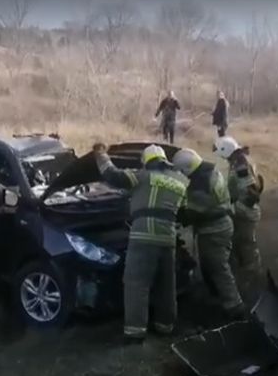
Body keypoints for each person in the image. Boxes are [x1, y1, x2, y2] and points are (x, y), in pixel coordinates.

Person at [93, 143, 186, 343]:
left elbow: (113, 175)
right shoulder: (179, 181)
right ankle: (165, 326)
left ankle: (135, 332)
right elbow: (184, 211)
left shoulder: (142, 176)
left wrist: (101, 154)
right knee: (166, 284)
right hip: (168, 238)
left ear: (146, 162)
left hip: (144, 237)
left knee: (136, 283)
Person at [171, 148, 246, 318]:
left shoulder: (200, 183)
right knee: (212, 266)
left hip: (213, 229)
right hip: (222, 224)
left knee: (218, 267)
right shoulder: (211, 171)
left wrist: (176, 215)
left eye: (181, 171)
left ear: (186, 168)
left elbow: (193, 212)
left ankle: (235, 307)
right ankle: (218, 298)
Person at [213, 136, 264, 295]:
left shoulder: (241, 166)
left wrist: (233, 208)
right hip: (243, 211)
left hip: (245, 213)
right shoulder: (239, 161)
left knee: (246, 246)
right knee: (239, 245)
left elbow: (250, 194)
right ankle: (245, 278)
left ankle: (251, 282)